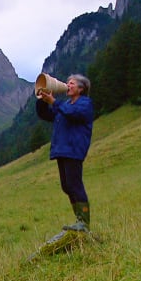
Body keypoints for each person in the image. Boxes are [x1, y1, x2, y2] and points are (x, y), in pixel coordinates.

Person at [36, 74, 94, 232]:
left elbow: (73, 113)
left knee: (75, 184)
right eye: (67, 83)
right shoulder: (65, 105)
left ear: (81, 89)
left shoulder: (85, 104)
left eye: (72, 83)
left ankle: (84, 223)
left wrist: (54, 101)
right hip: (62, 150)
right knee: (67, 186)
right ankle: (79, 220)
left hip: (73, 149)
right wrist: (42, 100)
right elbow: (46, 115)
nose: (68, 85)